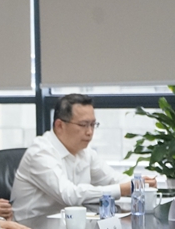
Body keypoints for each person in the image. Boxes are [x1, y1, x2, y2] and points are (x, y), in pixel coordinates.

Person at [12, 94, 155, 220]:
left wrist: (140, 183)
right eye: (83, 125)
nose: (90, 132)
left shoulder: (84, 151)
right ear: (59, 125)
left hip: (69, 227)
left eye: (93, 124)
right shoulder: (41, 152)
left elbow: (112, 179)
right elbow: (69, 195)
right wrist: (124, 188)